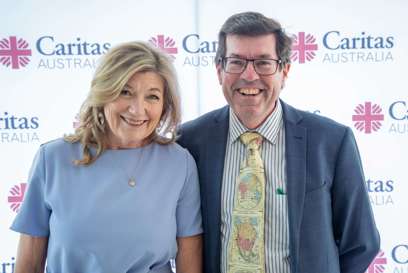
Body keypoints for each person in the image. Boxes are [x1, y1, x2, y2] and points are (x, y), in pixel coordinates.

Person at [177, 11, 380, 273]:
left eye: (263, 63)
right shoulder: (190, 142)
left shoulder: (330, 142)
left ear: (284, 71)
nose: (249, 76)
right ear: (219, 70)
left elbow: (361, 244)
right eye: (236, 62)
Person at [11, 41, 202, 273]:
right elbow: (28, 265)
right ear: (103, 93)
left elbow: (189, 262)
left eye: (152, 97)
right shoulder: (52, 159)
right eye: (125, 92)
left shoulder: (179, 164)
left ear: (165, 105)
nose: (137, 109)